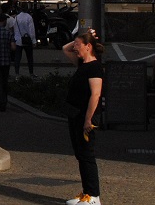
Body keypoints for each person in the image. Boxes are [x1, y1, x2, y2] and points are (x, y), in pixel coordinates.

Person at [62, 28, 104, 205]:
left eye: (79, 45)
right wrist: (83, 35)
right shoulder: (82, 64)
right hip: (75, 114)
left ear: (88, 47)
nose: (75, 48)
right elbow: (65, 48)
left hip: (85, 117)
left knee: (87, 155)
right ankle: (87, 192)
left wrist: (88, 119)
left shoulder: (94, 67)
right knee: (80, 154)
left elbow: (95, 95)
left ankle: (93, 196)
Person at [13, 4, 37, 76]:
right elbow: (31, 30)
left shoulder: (16, 17)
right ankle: (31, 73)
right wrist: (34, 41)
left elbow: (15, 29)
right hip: (27, 40)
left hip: (18, 40)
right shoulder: (29, 17)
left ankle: (17, 73)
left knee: (17, 58)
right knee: (29, 57)